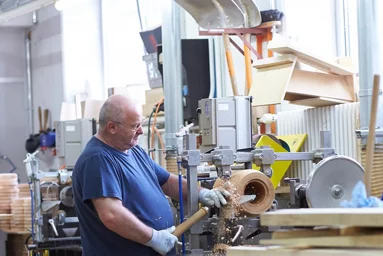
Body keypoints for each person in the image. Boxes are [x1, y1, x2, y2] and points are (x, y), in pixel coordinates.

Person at [72, 94, 230, 256]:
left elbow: (167, 181)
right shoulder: (98, 159)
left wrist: (202, 193)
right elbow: (112, 215)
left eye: (141, 124)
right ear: (112, 127)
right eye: (135, 126)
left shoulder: (134, 150)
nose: (141, 131)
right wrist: (154, 238)